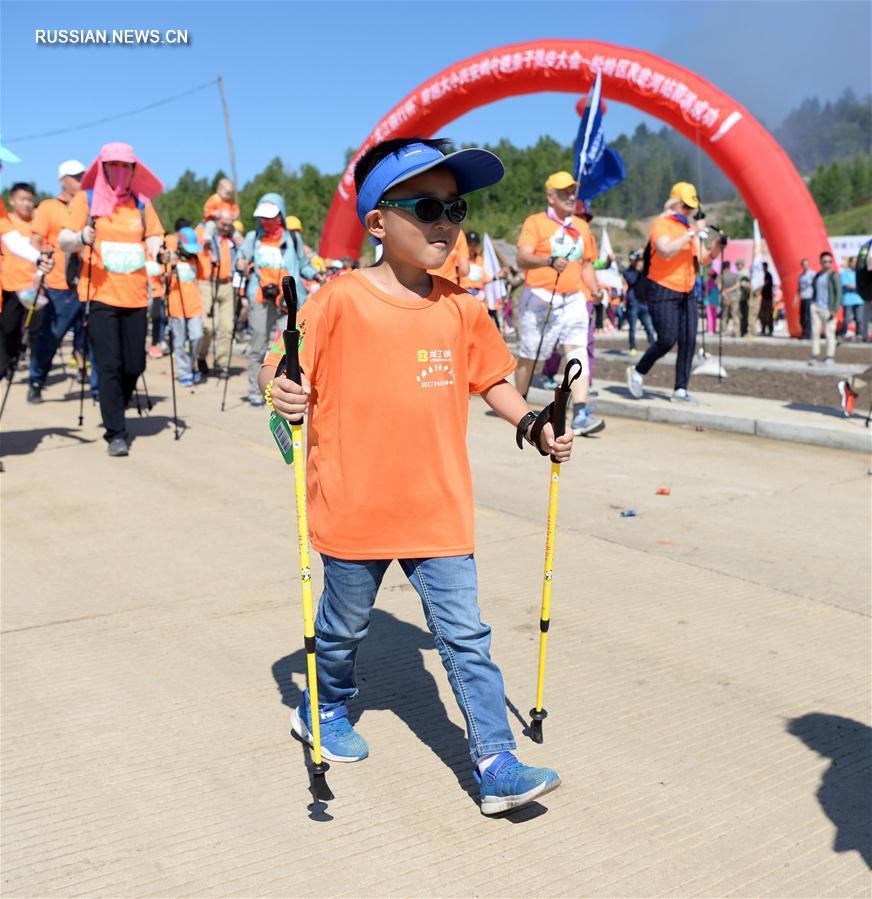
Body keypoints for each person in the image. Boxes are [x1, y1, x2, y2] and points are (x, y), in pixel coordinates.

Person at [260, 137, 572, 816]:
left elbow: (492, 380)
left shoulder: (461, 306)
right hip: (354, 504)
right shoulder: (340, 298)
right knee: (341, 630)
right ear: (378, 222)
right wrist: (282, 391)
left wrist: (536, 425)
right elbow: (283, 365)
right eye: (426, 207)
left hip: (438, 507)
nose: (445, 224)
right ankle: (324, 703)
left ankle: (495, 761)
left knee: (465, 637)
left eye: (454, 208)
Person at [59, 142, 164, 457]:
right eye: (113, 165)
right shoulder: (86, 200)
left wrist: (162, 250)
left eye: (126, 166)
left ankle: (114, 405)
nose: (120, 171)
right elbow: (63, 238)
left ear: (134, 170)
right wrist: (80, 238)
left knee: (135, 363)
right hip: (100, 295)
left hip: (135, 297)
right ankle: (115, 432)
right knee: (110, 365)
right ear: (102, 168)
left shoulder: (141, 204)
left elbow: (154, 236)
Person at [514, 172, 603, 436]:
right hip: (540, 297)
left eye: (572, 191)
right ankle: (519, 405)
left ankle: (582, 412)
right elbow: (522, 257)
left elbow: (586, 263)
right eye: (564, 192)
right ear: (550, 196)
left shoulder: (582, 227)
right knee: (529, 354)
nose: (570, 196)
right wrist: (548, 261)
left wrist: (595, 289)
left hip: (573, 297)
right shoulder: (536, 222)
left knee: (577, 350)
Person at [626, 182, 725, 404]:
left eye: (691, 207)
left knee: (689, 339)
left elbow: (702, 259)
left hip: (687, 289)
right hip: (662, 287)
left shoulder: (688, 230)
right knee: (667, 339)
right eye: (685, 206)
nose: (689, 211)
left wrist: (716, 248)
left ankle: (681, 388)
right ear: (674, 203)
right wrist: (692, 232)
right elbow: (665, 250)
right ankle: (638, 371)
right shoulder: (661, 224)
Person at [238, 192, 318, 407]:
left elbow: (303, 264)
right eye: (263, 217)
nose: (267, 221)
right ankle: (256, 390)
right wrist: (241, 263)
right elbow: (241, 258)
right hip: (260, 297)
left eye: (272, 217)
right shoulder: (252, 238)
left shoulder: (293, 238)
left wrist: (317, 275)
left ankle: (288, 391)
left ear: (281, 215)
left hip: (287, 300)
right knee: (258, 344)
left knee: (290, 347)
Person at [26, 160, 87, 402]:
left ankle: (95, 388)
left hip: (89, 284)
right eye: (75, 176)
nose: (80, 180)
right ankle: (36, 380)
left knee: (90, 339)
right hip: (60, 286)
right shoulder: (49, 207)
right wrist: (38, 271)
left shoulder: (90, 204)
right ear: (63, 180)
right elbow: (36, 242)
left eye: (83, 175)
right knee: (51, 337)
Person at [0, 183, 55, 381]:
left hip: (32, 287)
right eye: (22, 199)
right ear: (12, 200)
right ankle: (8, 361)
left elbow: (15, 241)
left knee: (36, 331)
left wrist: (41, 266)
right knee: (9, 329)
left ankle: (33, 373)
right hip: (9, 285)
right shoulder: (8, 218)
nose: (26, 204)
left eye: (30, 200)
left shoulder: (36, 223)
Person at [196, 209, 238, 377]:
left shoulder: (234, 239)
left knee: (227, 327)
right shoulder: (206, 233)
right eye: (223, 224)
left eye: (229, 224)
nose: (226, 227)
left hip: (227, 284)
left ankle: (221, 365)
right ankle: (201, 355)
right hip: (208, 283)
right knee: (207, 327)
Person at [165, 226, 205, 386]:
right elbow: (164, 282)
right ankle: (184, 372)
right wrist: (169, 271)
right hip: (177, 307)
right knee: (180, 342)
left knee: (197, 336)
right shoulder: (172, 259)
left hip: (194, 306)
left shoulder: (196, 259)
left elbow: (203, 276)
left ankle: (191, 365)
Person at [808, 251, 842, 366]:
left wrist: (835, 309)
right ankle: (814, 355)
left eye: (829, 261)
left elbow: (839, 293)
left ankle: (829, 356)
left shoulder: (834, 276)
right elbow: (814, 290)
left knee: (829, 333)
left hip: (828, 309)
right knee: (815, 332)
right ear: (820, 262)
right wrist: (813, 304)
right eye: (825, 261)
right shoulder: (817, 276)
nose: (827, 263)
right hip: (816, 308)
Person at [623, 251, 654, 356]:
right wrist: (637, 270)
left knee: (649, 327)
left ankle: (654, 347)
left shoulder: (645, 271)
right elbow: (632, 281)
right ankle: (632, 347)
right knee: (633, 328)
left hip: (644, 303)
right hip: (634, 304)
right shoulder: (628, 272)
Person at [839, 257, 865, 342]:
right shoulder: (845, 272)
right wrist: (858, 287)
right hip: (848, 300)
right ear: (849, 263)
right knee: (846, 319)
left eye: (856, 262)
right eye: (853, 262)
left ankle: (859, 335)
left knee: (859, 319)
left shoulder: (860, 273)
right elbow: (846, 285)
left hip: (859, 299)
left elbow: (864, 284)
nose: (855, 263)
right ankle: (843, 334)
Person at [720, 260, 741, 337]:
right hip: (734, 297)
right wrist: (730, 290)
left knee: (724, 315)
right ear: (729, 267)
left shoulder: (721, 276)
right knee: (735, 315)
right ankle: (736, 332)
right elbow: (738, 285)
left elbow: (719, 287)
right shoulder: (735, 275)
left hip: (725, 297)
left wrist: (726, 292)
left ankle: (724, 331)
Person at [797, 257, 815, 340]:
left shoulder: (812, 274)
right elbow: (799, 288)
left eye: (807, 264)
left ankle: (808, 334)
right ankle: (804, 332)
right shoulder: (800, 276)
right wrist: (796, 298)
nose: (805, 266)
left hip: (809, 297)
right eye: (804, 265)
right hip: (803, 298)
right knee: (802, 317)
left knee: (808, 316)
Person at [759, 262, 774, 336]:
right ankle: (764, 330)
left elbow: (766, 283)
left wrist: (760, 289)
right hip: (765, 297)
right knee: (763, 314)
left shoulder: (768, 275)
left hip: (768, 298)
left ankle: (769, 330)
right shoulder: (766, 275)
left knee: (767, 314)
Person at [704, 268, 720, 333]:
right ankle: (714, 329)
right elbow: (719, 290)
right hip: (715, 300)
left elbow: (707, 292)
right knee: (714, 316)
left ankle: (710, 329)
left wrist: (705, 294)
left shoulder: (708, 282)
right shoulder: (717, 282)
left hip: (709, 301)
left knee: (709, 315)